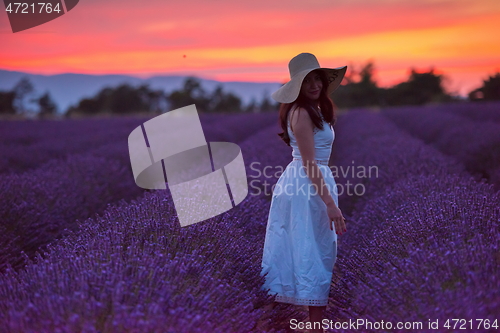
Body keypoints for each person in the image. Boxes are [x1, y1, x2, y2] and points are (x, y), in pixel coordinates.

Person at [260, 53, 348, 333]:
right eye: (306, 80)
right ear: (296, 85)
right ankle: (293, 324)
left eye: (316, 79)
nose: (313, 84)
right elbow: (310, 163)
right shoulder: (300, 112)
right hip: (304, 184)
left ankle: (311, 325)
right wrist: (330, 204)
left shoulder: (317, 110)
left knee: (315, 247)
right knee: (306, 247)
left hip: (314, 181)